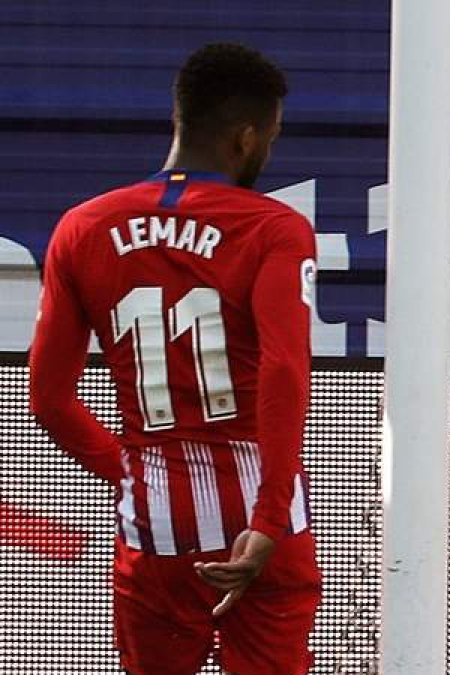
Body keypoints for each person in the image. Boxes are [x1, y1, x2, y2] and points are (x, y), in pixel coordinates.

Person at [28, 43, 320, 675]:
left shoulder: (82, 227)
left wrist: (135, 475)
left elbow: (49, 401)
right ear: (246, 137)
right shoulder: (274, 228)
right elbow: (284, 370)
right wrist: (268, 515)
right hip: (265, 526)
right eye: (270, 137)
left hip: (155, 528)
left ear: (178, 122)